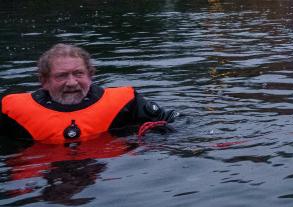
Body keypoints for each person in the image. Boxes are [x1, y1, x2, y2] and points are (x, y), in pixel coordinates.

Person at [0, 44, 182, 145]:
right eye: (61, 76)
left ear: (90, 75)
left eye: (78, 74)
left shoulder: (125, 104)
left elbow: (177, 121)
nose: (72, 83)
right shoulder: (11, 113)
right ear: (44, 81)